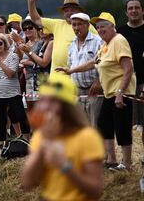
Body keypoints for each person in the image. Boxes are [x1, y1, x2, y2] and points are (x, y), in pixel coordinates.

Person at [57, 12, 136, 171]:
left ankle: (127, 164)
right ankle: (111, 159)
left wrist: (120, 92)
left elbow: (128, 69)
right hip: (109, 93)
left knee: (122, 127)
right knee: (104, 124)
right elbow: (93, 63)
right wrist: (71, 70)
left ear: (112, 27)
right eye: (98, 27)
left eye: (103, 26)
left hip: (121, 92)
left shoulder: (118, 41)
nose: (100, 29)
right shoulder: (106, 45)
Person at [21, 72, 104, 201]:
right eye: (43, 100)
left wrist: (65, 166)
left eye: (53, 101)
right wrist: (45, 144)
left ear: (67, 108)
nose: (45, 107)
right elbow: (27, 182)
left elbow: (95, 190)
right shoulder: (40, 136)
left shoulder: (87, 137)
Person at [27, 0, 97, 73]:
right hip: (56, 77)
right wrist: (31, 2)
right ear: (63, 13)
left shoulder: (87, 26)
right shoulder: (57, 24)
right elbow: (35, 19)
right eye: (66, 10)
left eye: (72, 10)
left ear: (79, 12)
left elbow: (100, 50)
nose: (69, 13)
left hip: (77, 77)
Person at [0, 33, 30, 149]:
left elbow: (10, 74)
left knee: (20, 115)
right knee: (1, 120)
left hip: (13, 92)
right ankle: (1, 146)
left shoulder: (13, 56)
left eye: (0, 43)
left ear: (5, 44)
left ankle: (26, 141)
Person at [117, 0, 144, 164]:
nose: (133, 11)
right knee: (125, 123)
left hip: (143, 81)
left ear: (142, 10)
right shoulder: (120, 33)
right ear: (126, 12)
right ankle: (126, 160)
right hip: (126, 83)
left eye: (137, 8)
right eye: (130, 8)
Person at [66, 13, 103, 126]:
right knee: (79, 126)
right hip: (77, 90)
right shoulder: (72, 44)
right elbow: (70, 65)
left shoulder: (98, 41)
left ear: (87, 25)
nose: (76, 28)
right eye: (74, 25)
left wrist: (98, 81)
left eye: (79, 24)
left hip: (94, 89)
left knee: (94, 125)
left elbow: (103, 64)